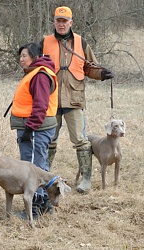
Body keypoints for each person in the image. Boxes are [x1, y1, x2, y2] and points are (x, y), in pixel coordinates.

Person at [41, 6, 114, 193]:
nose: (61, 24)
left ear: (71, 23)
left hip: (74, 99)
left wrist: (103, 74)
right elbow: (34, 66)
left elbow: (91, 67)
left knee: (81, 141)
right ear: (54, 22)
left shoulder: (81, 42)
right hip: (51, 99)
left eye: (65, 21)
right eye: (58, 21)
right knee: (49, 140)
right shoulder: (45, 42)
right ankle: (43, 176)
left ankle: (86, 180)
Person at [10, 42, 58, 218]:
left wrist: (30, 129)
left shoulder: (40, 76)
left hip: (35, 129)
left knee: (32, 168)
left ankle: (36, 206)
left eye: (25, 55)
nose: (21, 59)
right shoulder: (37, 73)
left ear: (36, 57)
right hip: (36, 127)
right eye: (20, 56)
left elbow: (40, 105)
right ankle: (45, 202)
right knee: (40, 164)